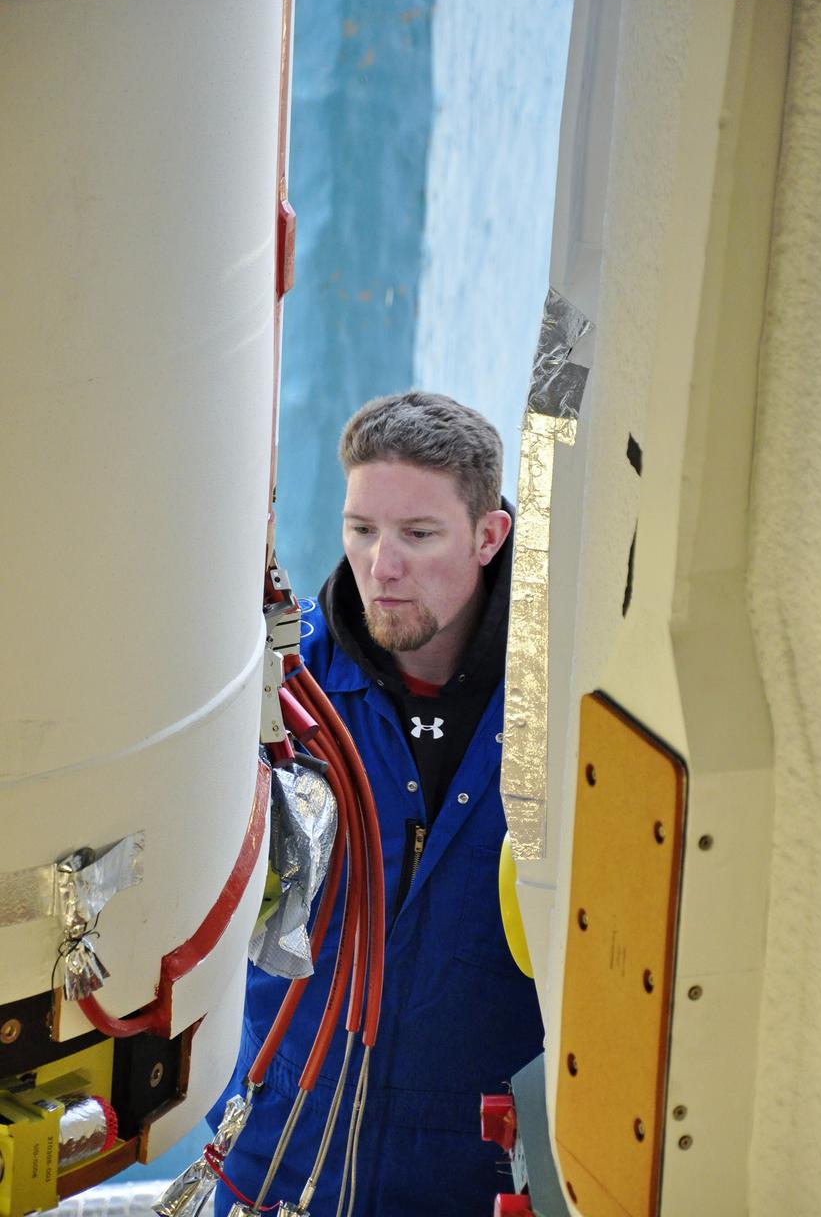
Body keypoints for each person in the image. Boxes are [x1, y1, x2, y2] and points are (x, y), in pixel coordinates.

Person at [211, 392, 544, 1216]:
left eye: (419, 535)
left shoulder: (563, 710)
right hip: (276, 1146)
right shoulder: (279, 692)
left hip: (472, 1174)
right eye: (361, 530)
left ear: (489, 536)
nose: (380, 566)